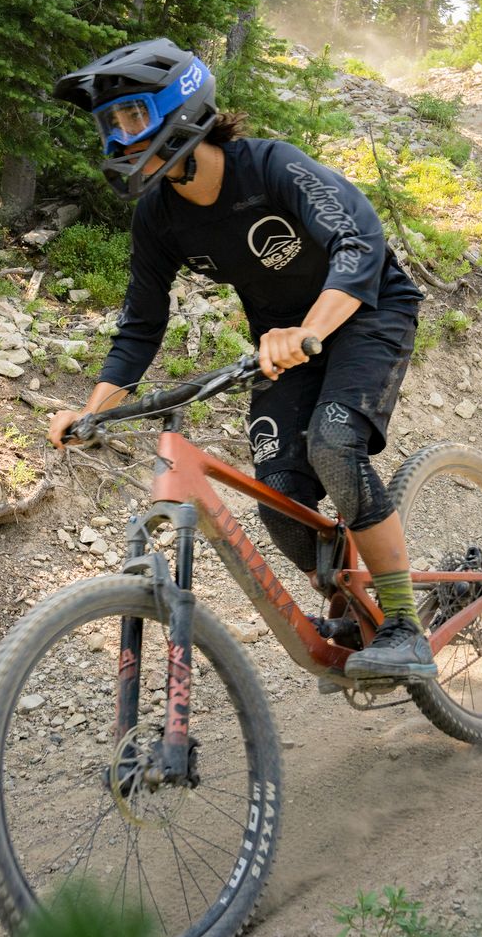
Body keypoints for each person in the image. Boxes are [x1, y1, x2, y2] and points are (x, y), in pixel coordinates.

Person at [46, 38, 436, 682]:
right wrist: (91, 413)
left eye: (133, 116)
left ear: (180, 106)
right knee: (279, 492)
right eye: (111, 124)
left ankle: (403, 625)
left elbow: (358, 240)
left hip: (368, 311)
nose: (121, 136)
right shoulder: (158, 217)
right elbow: (141, 327)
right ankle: (353, 604)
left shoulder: (270, 166)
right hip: (285, 344)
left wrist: (308, 329)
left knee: (334, 445)